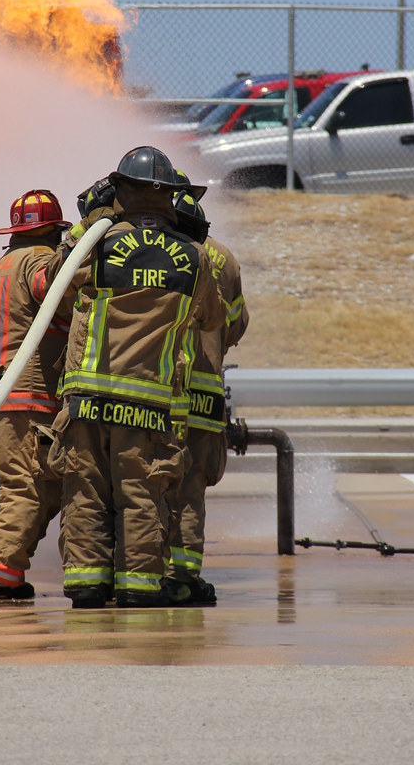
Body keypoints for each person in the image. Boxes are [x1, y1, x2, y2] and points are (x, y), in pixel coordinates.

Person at [46, 146, 226, 609]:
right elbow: (211, 318)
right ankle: (138, 590)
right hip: (149, 403)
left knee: (85, 490)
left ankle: (87, 585)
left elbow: (52, 286)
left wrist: (87, 222)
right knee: (141, 495)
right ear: (171, 197)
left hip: (87, 398)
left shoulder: (97, 244)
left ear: (119, 191)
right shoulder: (195, 257)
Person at [0, 190, 71, 600]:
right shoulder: (39, 261)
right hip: (22, 391)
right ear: (50, 230)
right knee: (30, 484)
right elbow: (57, 290)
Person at [166, 190, 249, 605]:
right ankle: (183, 574)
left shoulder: (158, 248)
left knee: (149, 480)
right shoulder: (224, 257)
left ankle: (145, 570)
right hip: (206, 392)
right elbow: (235, 324)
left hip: (162, 387)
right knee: (192, 485)